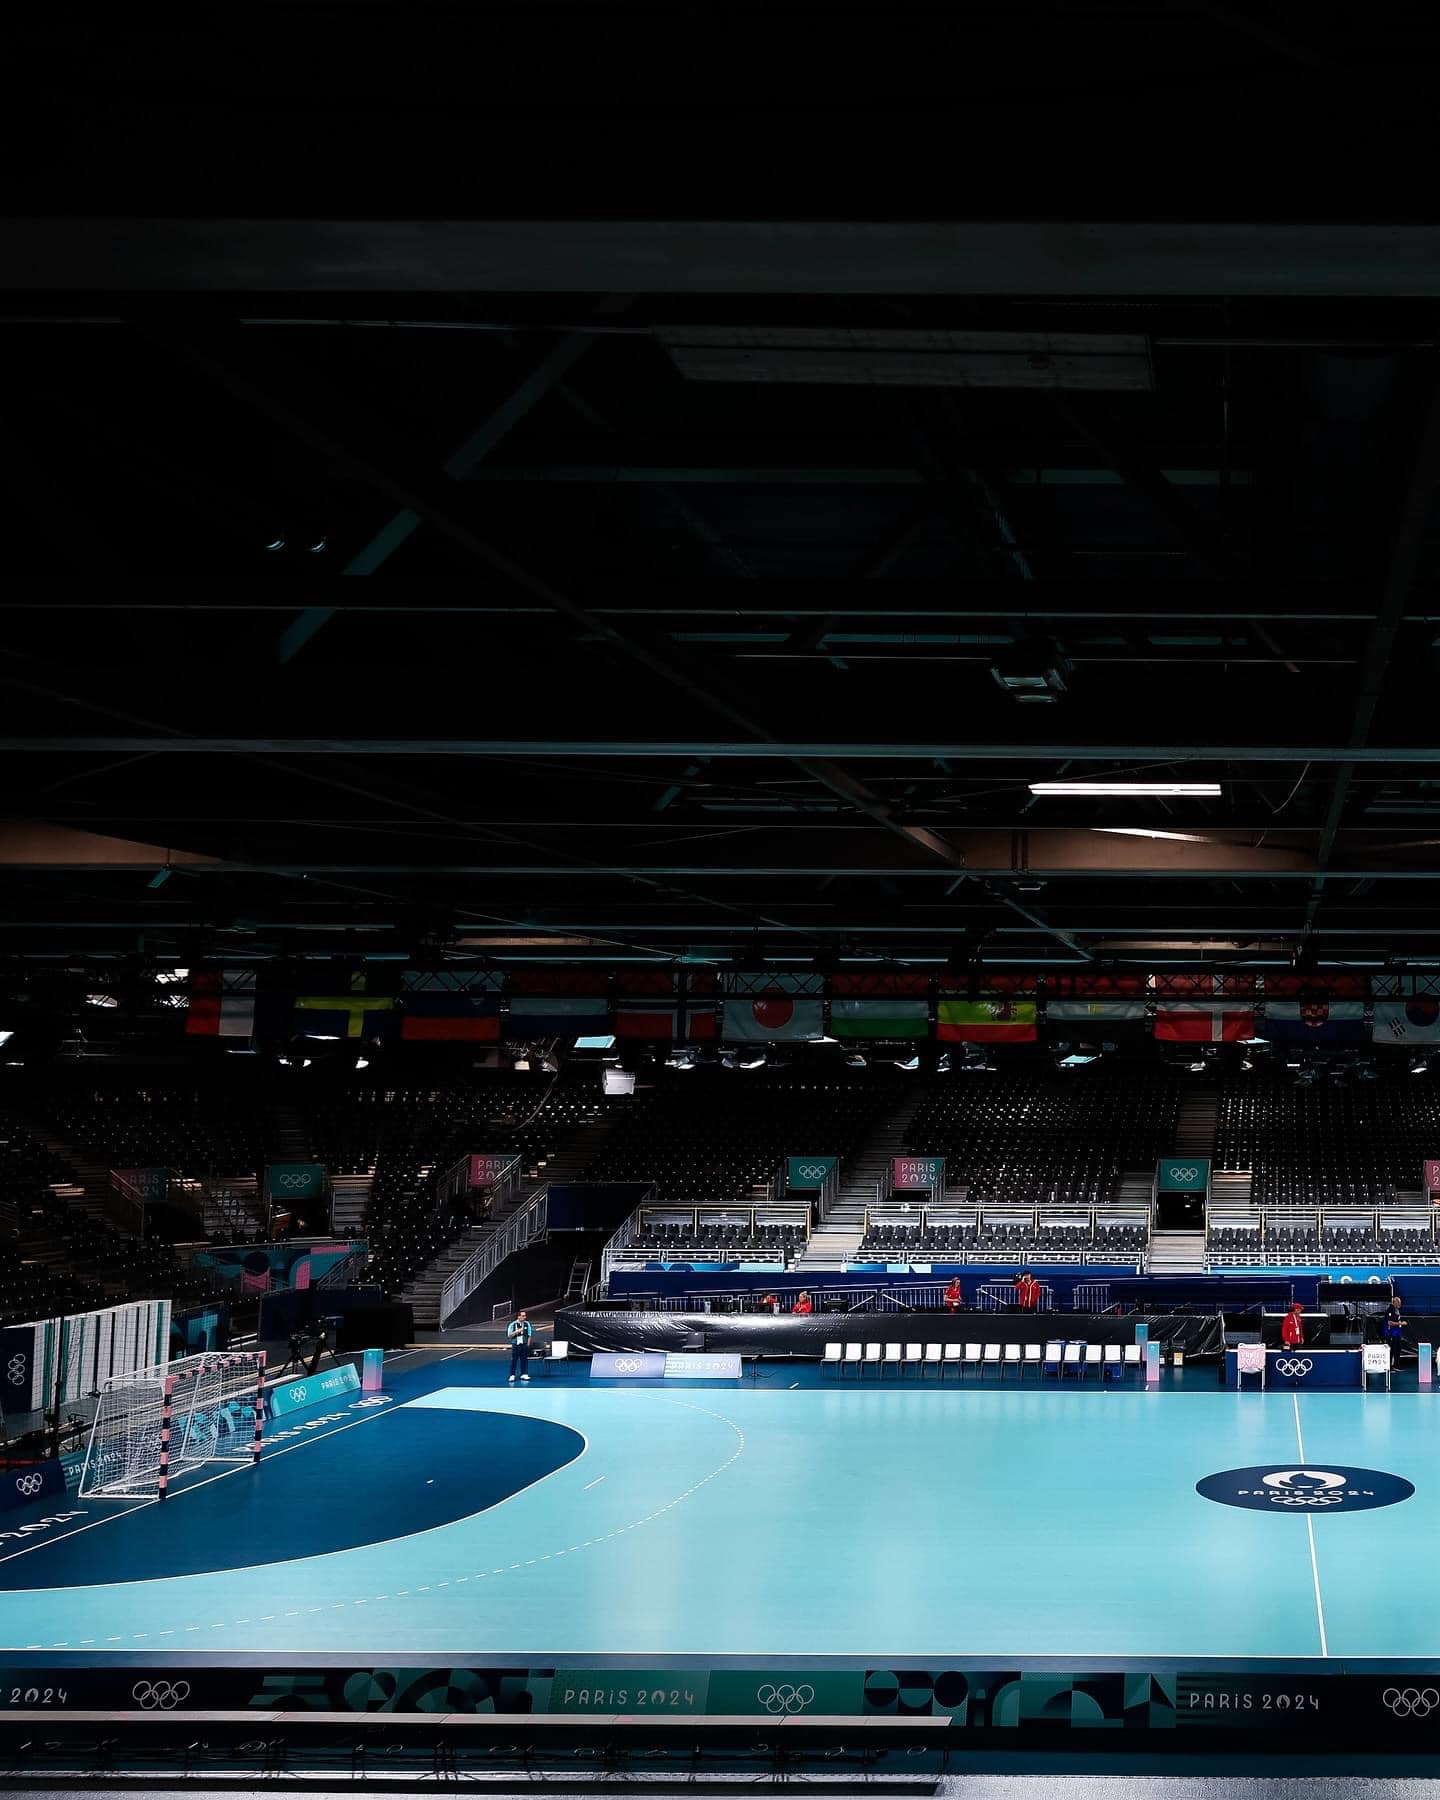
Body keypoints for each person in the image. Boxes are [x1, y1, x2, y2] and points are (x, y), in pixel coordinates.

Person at [507, 1310, 534, 1382]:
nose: (524, 1317)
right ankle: (512, 1375)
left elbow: (529, 1335)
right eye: (523, 1316)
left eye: (525, 1316)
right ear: (518, 1316)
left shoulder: (527, 1324)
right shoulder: (512, 1324)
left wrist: (527, 1344)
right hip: (516, 1345)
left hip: (524, 1345)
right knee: (514, 1360)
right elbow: (509, 1335)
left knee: (524, 1360)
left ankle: (524, 1374)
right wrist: (517, 1331)